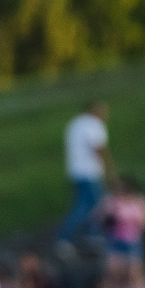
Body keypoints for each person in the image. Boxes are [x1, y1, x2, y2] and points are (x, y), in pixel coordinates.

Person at [59, 100, 110, 247]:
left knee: (87, 204)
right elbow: (98, 149)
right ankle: (65, 237)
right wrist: (108, 170)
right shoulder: (93, 124)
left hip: (75, 171)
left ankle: (90, 234)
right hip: (89, 171)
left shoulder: (75, 124)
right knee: (90, 206)